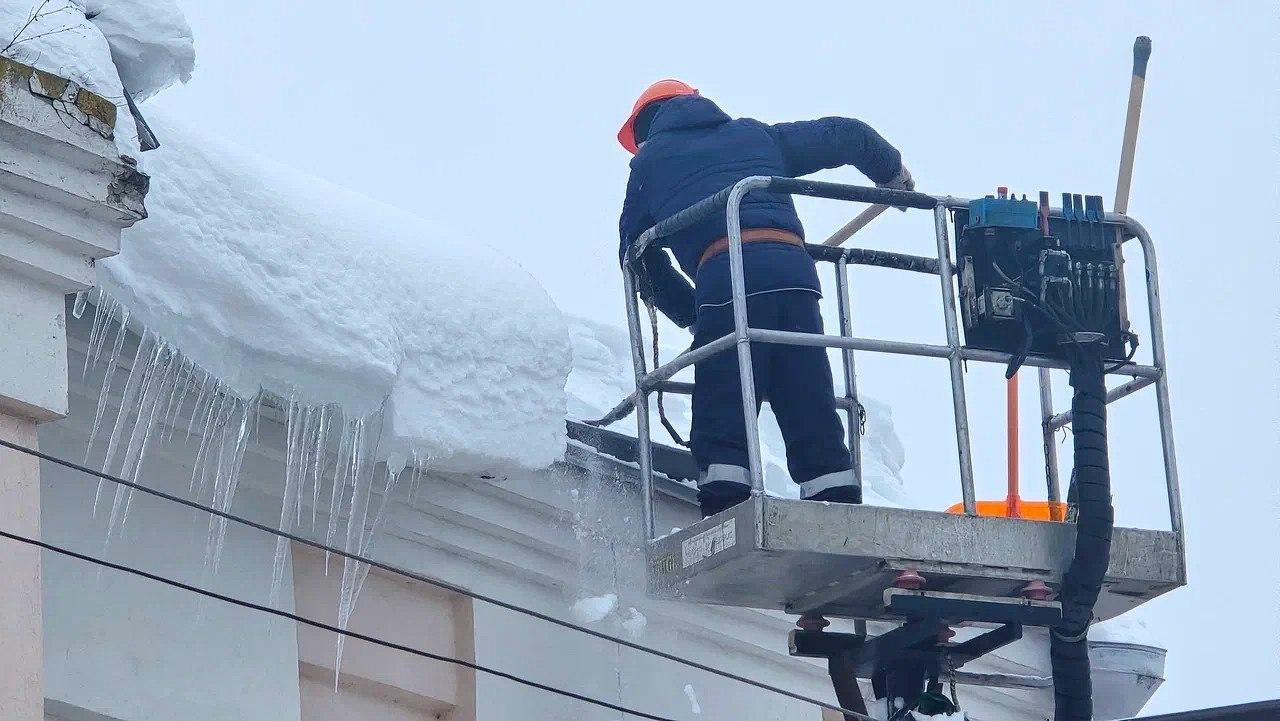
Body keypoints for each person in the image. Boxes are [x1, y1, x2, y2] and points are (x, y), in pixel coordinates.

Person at [617, 79, 914, 517]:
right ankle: (834, 500)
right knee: (805, 388)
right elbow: (846, 134)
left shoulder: (649, 166)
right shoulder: (754, 135)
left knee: (724, 395)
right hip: (794, 273)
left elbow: (636, 257)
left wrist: (690, 312)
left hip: (725, 274)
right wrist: (893, 177)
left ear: (645, 129)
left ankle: (724, 508)